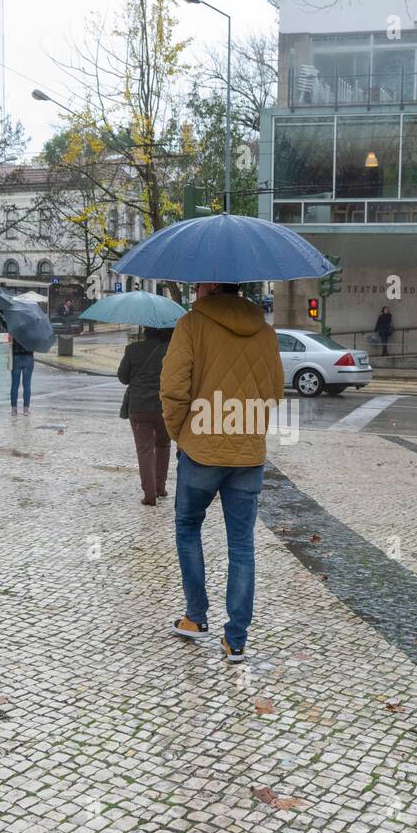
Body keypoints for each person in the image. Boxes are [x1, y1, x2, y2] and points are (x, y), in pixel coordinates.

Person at [160, 282, 284, 663]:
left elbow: (173, 388)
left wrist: (180, 432)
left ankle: (196, 617)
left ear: (210, 286)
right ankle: (236, 640)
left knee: (187, 528)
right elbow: (276, 390)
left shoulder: (191, 324)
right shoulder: (265, 332)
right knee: (242, 545)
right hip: (247, 454)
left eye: (198, 283)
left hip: (200, 450)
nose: (195, 289)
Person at [118, 326, 173, 505]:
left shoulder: (133, 349)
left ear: (146, 330)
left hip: (138, 407)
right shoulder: (170, 349)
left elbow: (123, 377)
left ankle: (149, 494)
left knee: (144, 450)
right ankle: (160, 487)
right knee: (163, 445)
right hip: (163, 406)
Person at [10, 330, 34, 413]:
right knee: (27, 384)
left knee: (14, 384)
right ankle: (26, 409)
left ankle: (14, 409)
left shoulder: (15, 328)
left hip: (16, 357)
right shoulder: (32, 330)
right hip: (28, 357)